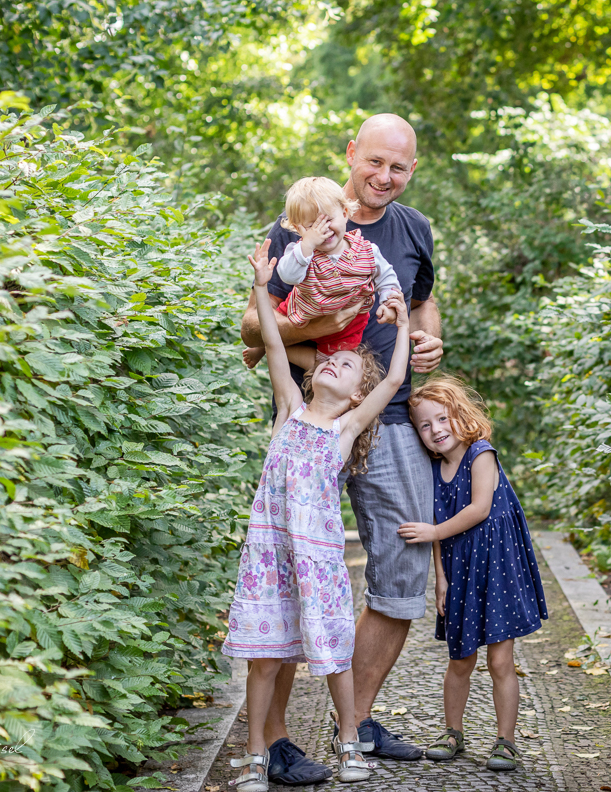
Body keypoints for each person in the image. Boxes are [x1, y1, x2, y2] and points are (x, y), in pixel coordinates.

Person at [238, 114, 443, 776]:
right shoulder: (304, 219)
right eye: (375, 162)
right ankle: (273, 744)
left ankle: (354, 720)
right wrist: (332, 323)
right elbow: (253, 325)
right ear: (352, 154)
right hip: (314, 417)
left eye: (399, 168)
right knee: (289, 576)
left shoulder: (412, 230)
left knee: (405, 571)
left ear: (412, 170)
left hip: (391, 417)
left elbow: (421, 302)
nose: (385, 177)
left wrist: (428, 337)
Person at [221, 236, 412, 789]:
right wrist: (261, 285)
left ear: (357, 396)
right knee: (265, 657)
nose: (335, 362)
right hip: (270, 556)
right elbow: (277, 350)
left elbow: (396, 380)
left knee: (332, 654)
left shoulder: (344, 430)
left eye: (349, 364)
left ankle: (350, 742)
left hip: (321, 559)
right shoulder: (290, 410)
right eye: (332, 359)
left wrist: (400, 326)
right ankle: (256, 755)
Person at [398, 376, 548, 772]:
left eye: (441, 419)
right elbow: (437, 526)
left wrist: (432, 532)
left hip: (497, 566)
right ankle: (452, 732)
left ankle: (506, 741)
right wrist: (441, 577)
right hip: (461, 568)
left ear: (459, 415)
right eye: (425, 426)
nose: (436, 431)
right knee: (461, 659)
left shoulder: (481, 453)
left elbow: (479, 509)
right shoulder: (431, 470)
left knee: (500, 660)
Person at [274, 176, 401, 359]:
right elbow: (288, 276)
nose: (323, 230)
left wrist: (388, 302)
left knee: (329, 362)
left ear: (344, 213)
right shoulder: (300, 252)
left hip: (346, 324)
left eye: (328, 220)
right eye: (312, 226)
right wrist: (307, 245)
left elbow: (386, 276)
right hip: (302, 309)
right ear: (298, 229)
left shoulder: (367, 251)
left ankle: (294, 355)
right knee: (273, 332)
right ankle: (265, 346)